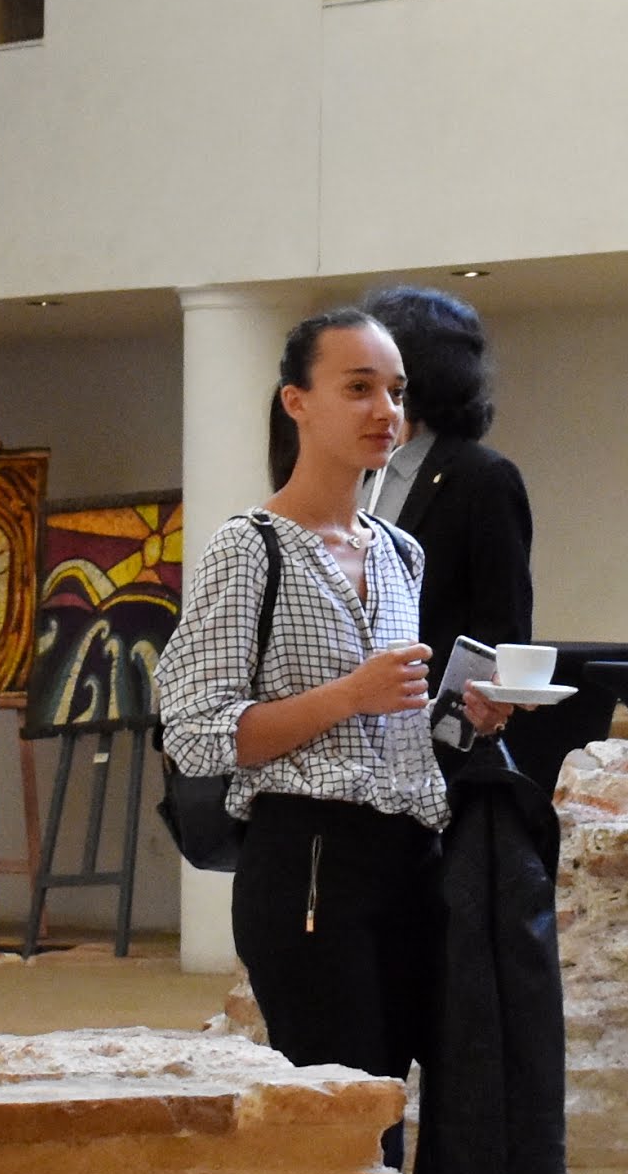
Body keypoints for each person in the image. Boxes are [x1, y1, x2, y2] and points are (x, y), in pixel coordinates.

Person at [159, 307, 449, 1101]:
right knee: (338, 1102)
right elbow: (198, 733)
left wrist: (460, 713)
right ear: (298, 401)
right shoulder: (249, 546)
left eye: (396, 391)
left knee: (392, 1094)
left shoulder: (401, 552)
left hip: (412, 856)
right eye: (358, 388)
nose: (385, 411)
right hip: (308, 857)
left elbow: (389, 723)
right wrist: (351, 694)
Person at [360, 284, 574, 1174]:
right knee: (360, 1029)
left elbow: (500, 640)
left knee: (456, 1033)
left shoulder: (481, 479)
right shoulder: (344, 484)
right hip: (348, 788)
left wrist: (442, 730)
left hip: (442, 788)